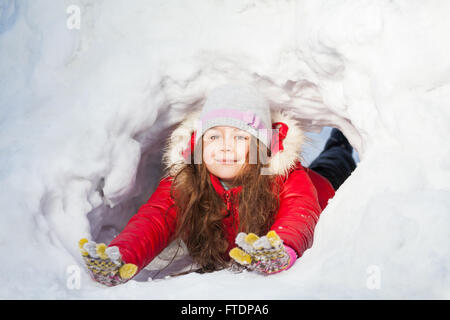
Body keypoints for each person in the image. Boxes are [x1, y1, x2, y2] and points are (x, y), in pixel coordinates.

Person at [78, 83, 356, 286]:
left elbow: (300, 212)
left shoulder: (285, 175)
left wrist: (281, 248)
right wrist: (123, 254)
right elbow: (155, 219)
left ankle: (339, 142)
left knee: (335, 162)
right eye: (214, 137)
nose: (224, 148)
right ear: (198, 145)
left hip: (324, 187)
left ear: (261, 147)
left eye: (239, 138)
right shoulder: (187, 179)